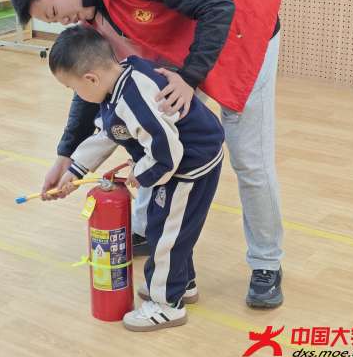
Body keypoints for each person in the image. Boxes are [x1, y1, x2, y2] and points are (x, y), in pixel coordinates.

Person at [10, 0, 284, 308]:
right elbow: (93, 87)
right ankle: (144, 230)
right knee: (146, 130)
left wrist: (189, 78)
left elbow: (218, 4)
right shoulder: (91, 11)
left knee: (248, 158)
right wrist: (65, 156)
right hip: (184, 44)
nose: (62, 22)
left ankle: (266, 263)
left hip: (242, 30)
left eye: (54, 13)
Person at [49, 25, 224, 331]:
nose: (76, 95)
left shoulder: (134, 99)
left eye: (72, 88)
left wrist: (141, 173)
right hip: (180, 160)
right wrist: (74, 171)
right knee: (172, 227)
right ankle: (181, 283)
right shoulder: (118, 82)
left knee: (166, 233)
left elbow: (167, 151)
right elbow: (108, 132)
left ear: (91, 79)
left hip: (188, 165)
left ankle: (166, 304)